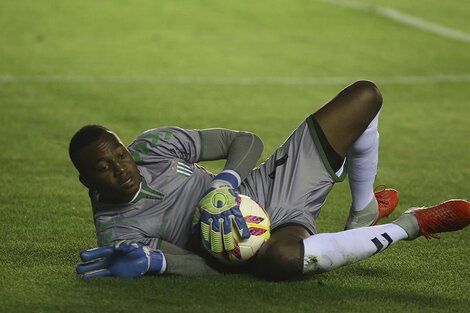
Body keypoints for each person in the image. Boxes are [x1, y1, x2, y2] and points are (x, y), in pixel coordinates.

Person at [70, 80, 470, 280]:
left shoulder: (152, 147)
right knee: (283, 259)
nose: (121, 167)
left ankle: (363, 210)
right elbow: (204, 268)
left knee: (365, 96)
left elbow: (245, 141)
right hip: (246, 243)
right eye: (104, 167)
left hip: (262, 188)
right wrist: (156, 261)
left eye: (119, 154)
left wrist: (222, 184)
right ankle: (413, 224)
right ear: (87, 179)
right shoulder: (117, 232)